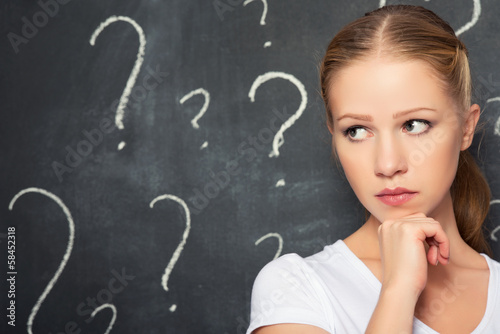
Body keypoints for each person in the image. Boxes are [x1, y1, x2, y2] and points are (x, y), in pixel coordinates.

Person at [246, 4, 500, 334]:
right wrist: (398, 292)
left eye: (414, 124)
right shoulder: (297, 289)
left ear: (466, 128)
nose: (387, 165)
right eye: (357, 131)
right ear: (334, 136)